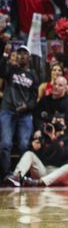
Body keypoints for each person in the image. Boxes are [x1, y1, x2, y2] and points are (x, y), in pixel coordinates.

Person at [0, 45, 40, 177]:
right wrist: (5, 55)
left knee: (24, 145)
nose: (22, 55)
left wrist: (27, 106)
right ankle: (6, 174)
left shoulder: (33, 76)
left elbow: (34, 98)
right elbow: (1, 71)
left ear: (29, 57)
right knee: (5, 144)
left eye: (24, 53)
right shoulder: (11, 70)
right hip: (8, 111)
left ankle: (20, 175)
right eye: (19, 53)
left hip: (25, 114)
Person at [4, 113, 68, 187]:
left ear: (65, 126)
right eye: (55, 120)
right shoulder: (44, 136)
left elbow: (63, 154)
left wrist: (53, 138)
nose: (57, 122)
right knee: (29, 154)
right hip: (43, 170)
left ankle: (40, 182)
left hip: (59, 172)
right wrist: (32, 146)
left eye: (60, 121)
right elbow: (35, 155)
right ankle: (16, 177)